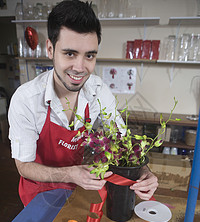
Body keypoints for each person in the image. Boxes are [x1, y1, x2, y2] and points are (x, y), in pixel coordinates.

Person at [8, 0, 158, 207]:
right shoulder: (26, 100)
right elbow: (23, 165)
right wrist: (71, 173)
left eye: (89, 56)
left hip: (83, 191)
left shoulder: (98, 91)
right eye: (70, 53)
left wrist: (143, 171)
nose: (80, 67)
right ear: (50, 49)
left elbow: (122, 141)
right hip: (39, 193)